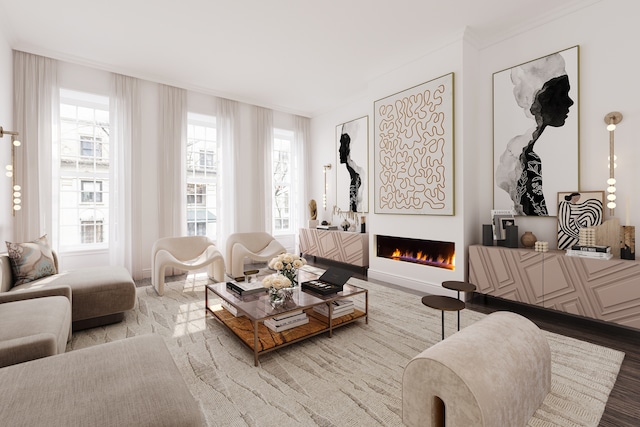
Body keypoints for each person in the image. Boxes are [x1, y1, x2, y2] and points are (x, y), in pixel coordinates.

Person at [495, 53, 574, 216]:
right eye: (563, 94)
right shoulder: (526, 155)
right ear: (544, 100)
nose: (570, 102)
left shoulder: (528, 151)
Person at [339, 123, 364, 212]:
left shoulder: (357, 174)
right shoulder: (350, 173)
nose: (339, 150)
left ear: (348, 147)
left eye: (342, 144)